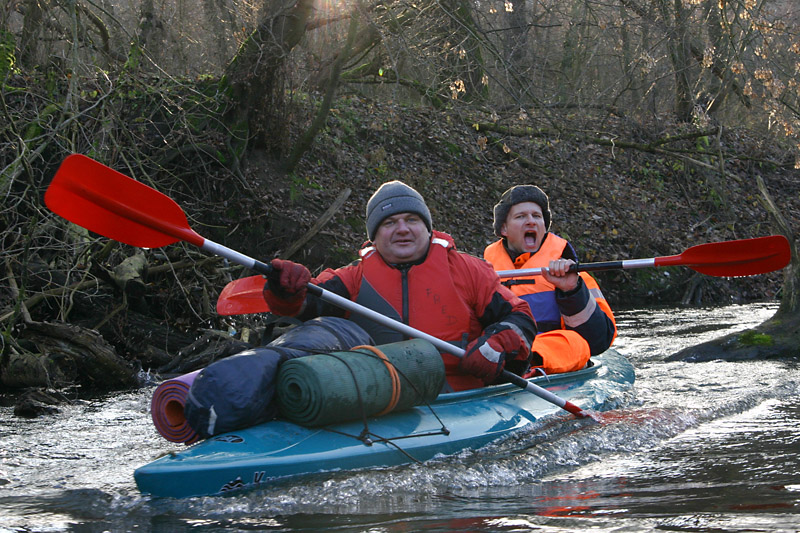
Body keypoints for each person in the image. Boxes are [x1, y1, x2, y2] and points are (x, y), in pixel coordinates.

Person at [262, 180, 537, 391]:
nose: (402, 229)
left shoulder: (469, 270)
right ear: (374, 237)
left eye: (412, 220)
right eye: (390, 222)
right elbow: (303, 305)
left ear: (427, 228)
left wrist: (496, 343)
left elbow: (520, 316)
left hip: (460, 399)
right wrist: (285, 290)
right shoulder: (352, 278)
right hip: (381, 398)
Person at [484, 184, 616, 375]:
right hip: (497, 349)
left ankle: (526, 363)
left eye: (536, 216)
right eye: (521, 216)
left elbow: (598, 341)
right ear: (503, 228)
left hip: (550, 356)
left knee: (575, 343)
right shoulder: (482, 275)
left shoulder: (576, 276)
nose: (531, 221)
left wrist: (571, 291)